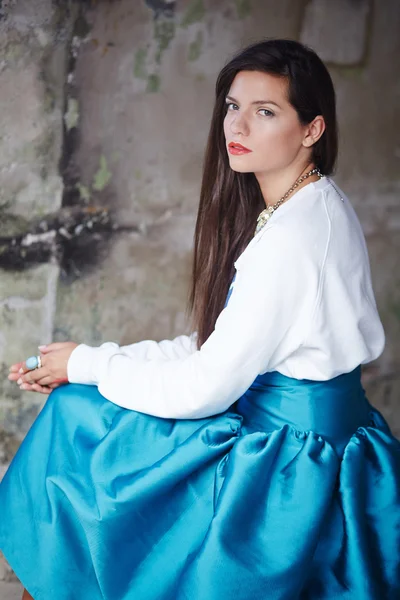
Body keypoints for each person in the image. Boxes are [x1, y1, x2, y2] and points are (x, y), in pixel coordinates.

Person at [1, 38, 399, 600]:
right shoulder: (314, 202)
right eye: (233, 106)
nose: (238, 124)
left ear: (312, 130)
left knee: (79, 418)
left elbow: (204, 388)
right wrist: (91, 359)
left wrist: (89, 365)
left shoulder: (290, 239)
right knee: (86, 400)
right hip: (321, 431)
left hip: (289, 459)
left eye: (266, 112)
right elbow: (216, 344)